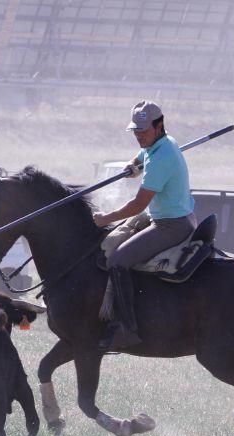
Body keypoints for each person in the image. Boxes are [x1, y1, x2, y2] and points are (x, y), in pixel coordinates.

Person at [92, 100, 197, 350]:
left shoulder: (163, 158)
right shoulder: (157, 144)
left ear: (159, 125)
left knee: (118, 259)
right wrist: (132, 166)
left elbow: (138, 204)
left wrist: (105, 218)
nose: (139, 136)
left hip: (171, 225)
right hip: (161, 216)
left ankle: (127, 329)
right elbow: (141, 157)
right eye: (135, 131)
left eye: (143, 131)